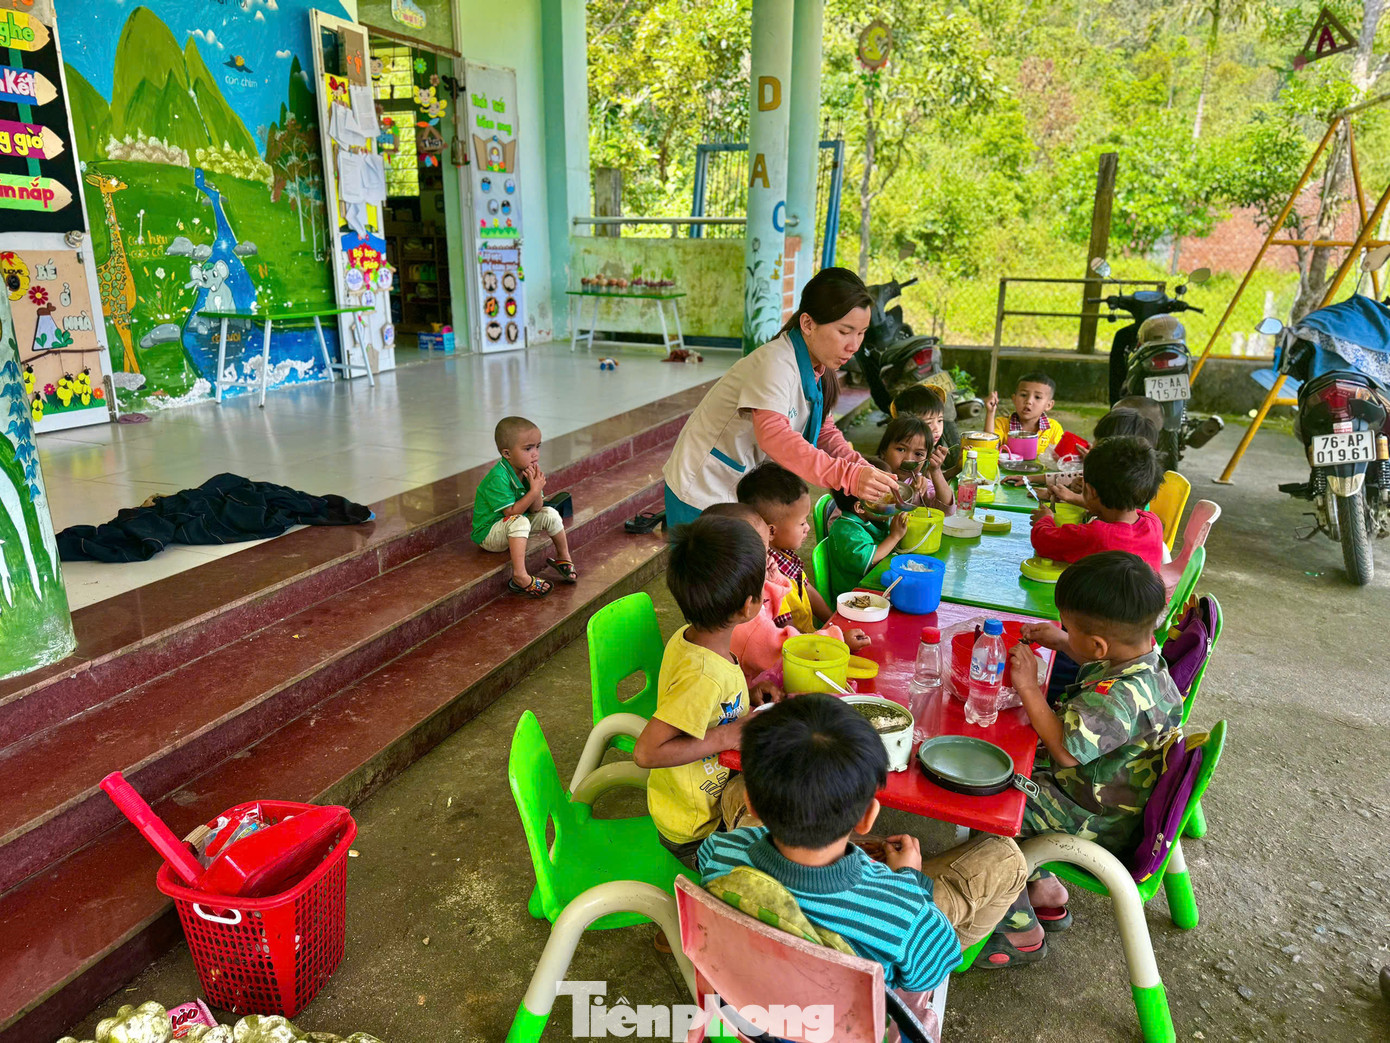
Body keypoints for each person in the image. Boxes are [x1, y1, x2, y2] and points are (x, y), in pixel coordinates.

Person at [700, 693, 1029, 994]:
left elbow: (717, 851)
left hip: (756, 1008)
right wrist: (910, 881)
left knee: (732, 794)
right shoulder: (904, 912)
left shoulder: (720, 852)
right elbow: (929, 974)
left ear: (753, 803)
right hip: (848, 1016)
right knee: (1007, 857)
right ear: (867, 816)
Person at [976, 552, 1182, 967]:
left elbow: (1066, 752)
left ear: (1098, 644)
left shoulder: (1119, 700)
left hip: (1093, 816)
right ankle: (1044, 889)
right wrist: (1061, 640)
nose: (1066, 632)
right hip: (1106, 794)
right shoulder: (1143, 662)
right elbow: (1099, 653)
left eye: (1071, 628)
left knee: (990, 810)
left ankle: (1019, 932)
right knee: (1007, 772)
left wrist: (1029, 686)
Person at [662, 268, 897, 527]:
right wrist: (847, 476)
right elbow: (774, 436)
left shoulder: (818, 367)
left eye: (861, 333)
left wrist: (861, 467)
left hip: (740, 488)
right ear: (808, 324)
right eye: (845, 331)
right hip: (704, 486)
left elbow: (823, 431)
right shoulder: (775, 363)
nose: (854, 345)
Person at [633, 514, 780, 863]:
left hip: (706, 804)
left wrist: (747, 695)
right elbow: (646, 752)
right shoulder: (704, 676)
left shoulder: (695, 640)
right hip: (696, 833)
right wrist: (726, 737)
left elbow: (712, 703)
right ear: (749, 605)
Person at [727, 468, 870, 680]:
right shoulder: (767, 577)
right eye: (802, 522)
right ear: (772, 531)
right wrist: (835, 640)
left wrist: (833, 623)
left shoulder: (785, 558)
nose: (808, 529)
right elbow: (792, 643)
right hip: (793, 659)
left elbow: (807, 589)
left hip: (811, 642)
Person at [471, 416, 575, 598]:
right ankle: (520, 575)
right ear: (507, 454)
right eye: (528, 448)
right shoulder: (498, 477)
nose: (535, 454)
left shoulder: (528, 469)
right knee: (519, 521)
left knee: (549, 512)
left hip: (512, 526)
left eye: (538, 446)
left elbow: (536, 508)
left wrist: (535, 490)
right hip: (489, 534)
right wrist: (534, 490)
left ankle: (563, 557)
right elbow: (511, 512)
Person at [1030, 436, 1165, 572]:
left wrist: (1044, 520)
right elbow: (1119, 515)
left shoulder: (1097, 536)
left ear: (1090, 491)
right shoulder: (1153, 523)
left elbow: (1043, 542)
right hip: (1149, 593)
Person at [825, 461, 909, 597]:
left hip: (875, 588)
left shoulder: (871, 519)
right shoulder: (846, 531)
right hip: (855, 598)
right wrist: (895, 536)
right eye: (884, 500)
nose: (892, 503)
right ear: (860, 508)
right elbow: (871, 560)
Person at [876, 415, 955, 513]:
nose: (908, 459)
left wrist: (936, 471)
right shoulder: (872, 478)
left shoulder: (921, 484)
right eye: (901, 449)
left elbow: (947, 510)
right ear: (884, 451)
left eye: (918, 454)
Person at [983, 372, 1066, 458]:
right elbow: (988, 448)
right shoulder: (1002, 424)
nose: (1029, 401)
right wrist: (990, 413)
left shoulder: (1054, 428)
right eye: (1023, 395)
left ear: (1049, 405)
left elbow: (1060, 458)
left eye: (1037, 397)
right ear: (1014, 399)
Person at [892, 384, 960, 479]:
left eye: (940, 420)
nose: (937, 428)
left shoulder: (929, 449)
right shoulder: (905, 456)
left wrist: (957, 469)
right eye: (928, 423)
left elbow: (931, 483)